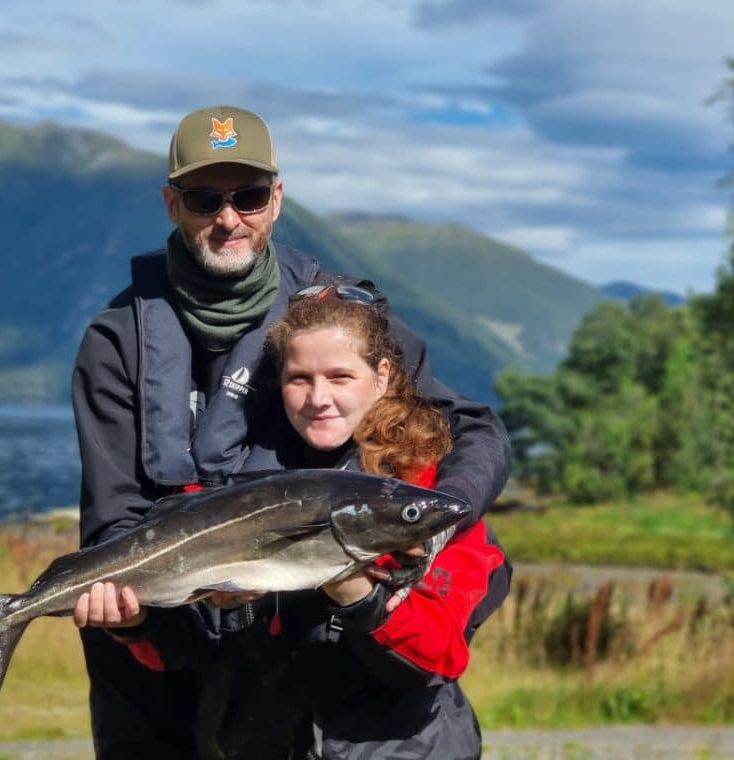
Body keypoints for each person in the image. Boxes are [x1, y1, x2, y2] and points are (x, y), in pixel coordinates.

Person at [70, 104, 512, 758]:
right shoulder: (116, 343)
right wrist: (136, 618)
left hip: (343, 677)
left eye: (248, 196)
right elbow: (114, 520)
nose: (228, 217)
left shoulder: (339, 317)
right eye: (204, 197)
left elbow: (474, 431)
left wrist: (432, 524)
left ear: (276, 199)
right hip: (179, 653)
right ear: (172, 203)